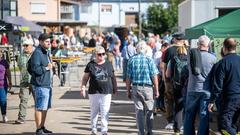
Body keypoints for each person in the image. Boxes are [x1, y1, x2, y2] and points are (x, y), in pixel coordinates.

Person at [80, 46, 117, 135]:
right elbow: (85, 78)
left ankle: (104, 131)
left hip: (106, 92)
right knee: (94, 112)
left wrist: (115, 88)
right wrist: (83, 87)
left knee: (105, 112)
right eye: (99, 54)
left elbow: (113, 77)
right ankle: (93, 129)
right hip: (94, 92)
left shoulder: (108, 64)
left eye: (103, 54)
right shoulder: (90, 64)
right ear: (95, 55)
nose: (102, 56)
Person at [183, 35, 216, 135]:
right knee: (204, 116)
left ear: (198, 44)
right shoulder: (213, 58)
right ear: (208, 45)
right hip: (206, 90)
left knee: (189, 115)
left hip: (192, 88)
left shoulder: (190, 56)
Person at [125, 41, 159, 135]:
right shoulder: (149, 60)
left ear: (136, 49)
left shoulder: (131, 60)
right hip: (147, 88)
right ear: (146, 50)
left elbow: (128, 77)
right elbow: (154, 76)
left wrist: (128, 90)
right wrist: (156, 89)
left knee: (139, 111)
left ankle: (141, 132)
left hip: (135, 87)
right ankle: (149, 131)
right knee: (149, 110)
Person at [208, 38, 240, 135]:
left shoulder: (222, 63)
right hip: (236, 98)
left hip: (229, 99)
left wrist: (212, 101)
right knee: (234, 126)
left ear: (224, 48)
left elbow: (218, 85)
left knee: (223, 126)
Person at [28, 33, 53, 135]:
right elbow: (34, 69)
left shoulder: (45, 51)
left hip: (46, 84)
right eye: (47, 42)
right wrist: (47, 68)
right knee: (39, 107)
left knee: (45, 107)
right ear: (41, 41)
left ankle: (42, 127)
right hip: (40, 85)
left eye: (49, 41)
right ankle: (38, 130)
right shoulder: (37, 52)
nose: (49, 43)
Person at [161, 33, 185, 130]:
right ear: (183, 40)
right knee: (182, 101)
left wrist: (164, 79)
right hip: (185, 81)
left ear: (175, 39)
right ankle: (181, 122)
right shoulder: (187, 50)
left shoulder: (169, 50)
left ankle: (170, 121)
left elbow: (163, 66)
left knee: (169, 100)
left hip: (170, 80)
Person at [166, 46, 187, 135]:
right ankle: (186, 128)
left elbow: (167, 74)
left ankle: (177, 130)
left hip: (176, 86)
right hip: (187, 86)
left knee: (178, 107)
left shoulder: (173, 59)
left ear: (177, 52)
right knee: (187, 107)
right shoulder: (189, 59)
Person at [15, 39, 34, 124]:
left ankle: (40, 116)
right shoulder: (20, 56)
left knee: (37, 100)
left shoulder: (35, 55)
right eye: (24, 45)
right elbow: (19, 66)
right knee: (23, 100)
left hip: (34, 81)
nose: (25, 47)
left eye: (27, 45)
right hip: (24, 81)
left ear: (31, 46)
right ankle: (21, 118)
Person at [0, 49, 11, 123]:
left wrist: (10, 81)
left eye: (0, 52)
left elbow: (8, 73)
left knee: (3, 100)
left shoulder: (4, 62)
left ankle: (4, 115)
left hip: (2, 85)